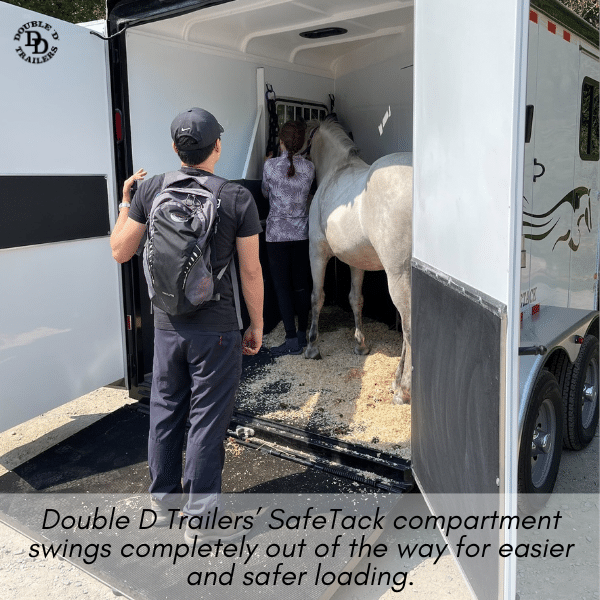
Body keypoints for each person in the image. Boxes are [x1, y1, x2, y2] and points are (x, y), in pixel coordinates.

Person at [110, 108, 263, 542]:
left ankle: (162, 505)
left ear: (175, 149)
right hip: (217, 328)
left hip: (166, 325)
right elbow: (251, 272)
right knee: (206, 421)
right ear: (217, 147)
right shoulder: (236, 198)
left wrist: (125, 201)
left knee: (165, 411)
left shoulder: (150, 189)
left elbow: (120, 251)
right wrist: (256, 323)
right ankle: (198, 520)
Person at [262, 120, 315, 356]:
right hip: (302, 234)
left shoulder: (270, 167)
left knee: (282, 288)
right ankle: (304, 335)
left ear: (281, 141)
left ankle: (291, 339)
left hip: (276, 236)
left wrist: (266, 163)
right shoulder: (310, 168)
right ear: (302, 142)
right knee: (302, 286)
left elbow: (265, 193)